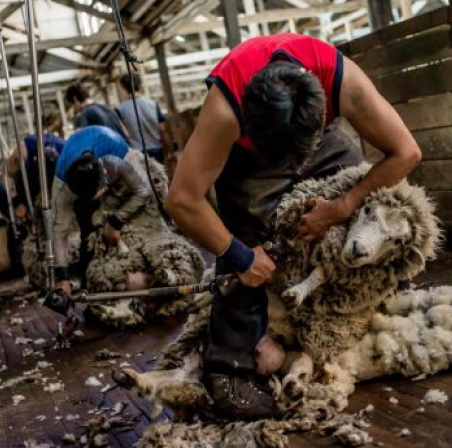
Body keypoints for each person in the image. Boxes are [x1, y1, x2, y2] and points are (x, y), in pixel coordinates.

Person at [164, 34, 422, 420]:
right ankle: (228, 366)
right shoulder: (225, 110)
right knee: (245, 238)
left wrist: (341, 206)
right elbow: (182, 199)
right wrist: (240, 255)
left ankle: (370, 305)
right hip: (249, 155)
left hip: (318, 140)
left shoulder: (341, 80)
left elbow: (407, 152)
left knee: (367, 200)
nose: (294, 171)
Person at [50, 125, 150, 295]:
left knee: (137, 217)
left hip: (114, 169)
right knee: (88, 231)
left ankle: (137, 262)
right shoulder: (62, 186)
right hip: (81, 182)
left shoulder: (119, 157)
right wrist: (62, 277)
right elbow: (59, 230)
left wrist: (116, 221)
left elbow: (144, 191)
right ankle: (90, 271)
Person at [115, 73, 167, 164]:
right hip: (157, 150)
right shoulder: (153, 104)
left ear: (123, 88)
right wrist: (169, 149)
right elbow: (162, 129)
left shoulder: (119, 109)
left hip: (137, 153)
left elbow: (124, 134)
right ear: (140, 86)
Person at [65, 83, 129, 141]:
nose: (74, 108)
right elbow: (126, 134)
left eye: (72, 105)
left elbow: (79, 140)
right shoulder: (108, 109)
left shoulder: (83, 116)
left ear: (75, 99)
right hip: (125, 147)